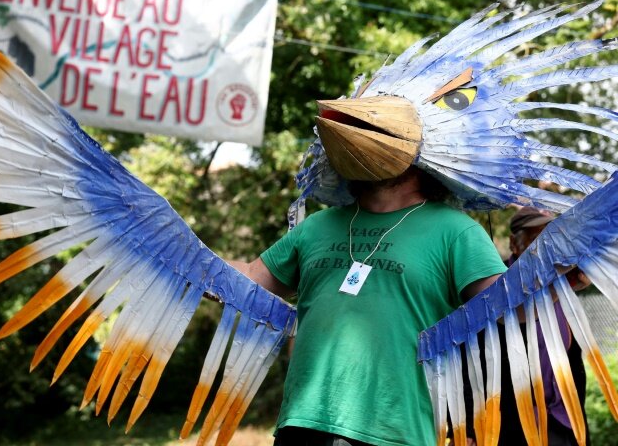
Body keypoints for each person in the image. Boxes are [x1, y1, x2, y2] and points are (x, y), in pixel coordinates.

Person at [230, 166, 507, 446]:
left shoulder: (457, 231)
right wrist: (199, 262)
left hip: (395, 432)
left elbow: (510, 308)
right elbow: (251, 276)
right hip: (303, 424)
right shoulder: (317, 225)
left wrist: (538, 262)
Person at [498, 207, 591, 446]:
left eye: (551, 240)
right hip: (515, 426)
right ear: (514, 243)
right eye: (536, 240)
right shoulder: (495, 287)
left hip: (563, 422)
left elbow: (573, 359)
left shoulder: (562, 284)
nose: (545, 249)